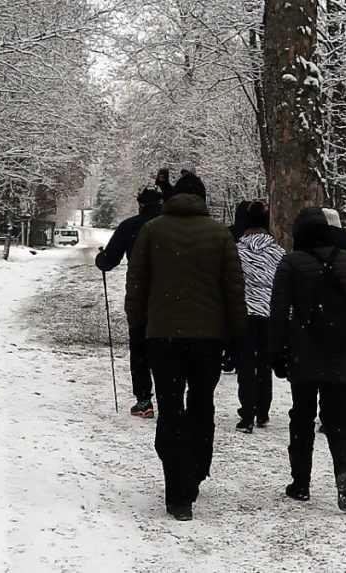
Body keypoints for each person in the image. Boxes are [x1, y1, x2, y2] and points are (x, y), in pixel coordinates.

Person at [125, 167, 247, 521]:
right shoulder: (220, 235)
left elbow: (137, 286)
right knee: (201, 406)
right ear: (203, 199)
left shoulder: (152, 231)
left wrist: (139, 328)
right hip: (208, 340)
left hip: (162, 337)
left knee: (170, 407)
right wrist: (237, 337)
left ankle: (176, 487)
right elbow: (233, 291)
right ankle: (194, 471)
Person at [269, 207, 346, 512]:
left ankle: (300, 483)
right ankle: (344, 478)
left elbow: (278, 313)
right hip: (344, 352)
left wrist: (276, 352)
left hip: (304, 353)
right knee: (338, 419)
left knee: (301, 416)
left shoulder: (290, 263)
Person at [96, 186, 163, 418]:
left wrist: (101, 259)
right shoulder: (172, 225)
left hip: (140, 295)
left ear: (140, 204)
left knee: (140, 347)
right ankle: (168, 397)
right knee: (166, 347)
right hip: (170, 295)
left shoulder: (130, 226)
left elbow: (109, 260)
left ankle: (144, 400)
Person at [232, 202, 285, 434]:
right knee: (264, 363)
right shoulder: (278, 252)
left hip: (244, 313)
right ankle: (263, 410)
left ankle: (247, 413)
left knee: (245, 364)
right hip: (269, 314)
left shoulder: (237, 251)